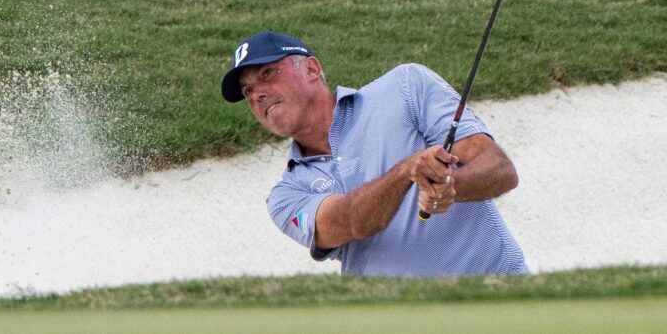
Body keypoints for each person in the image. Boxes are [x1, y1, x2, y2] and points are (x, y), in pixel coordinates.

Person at [221, 31, 527, 276]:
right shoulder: (286, 197)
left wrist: (452, 186)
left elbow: (500, 170)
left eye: (267, 73)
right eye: (248, 91)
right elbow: (349, 222)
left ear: (312, 69)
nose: (257, 94)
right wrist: (406, 170)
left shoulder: (405, 86)